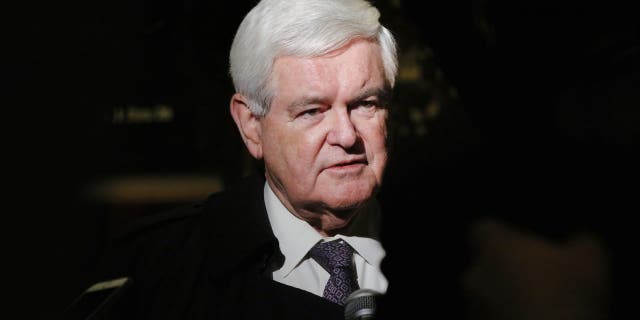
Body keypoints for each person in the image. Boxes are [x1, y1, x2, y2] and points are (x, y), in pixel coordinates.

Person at [90, 0, 398, 319]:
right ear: (251, 125)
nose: (347, 136)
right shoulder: (158, 272)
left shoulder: (445, 244)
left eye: (365, 104)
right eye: (312, 111)